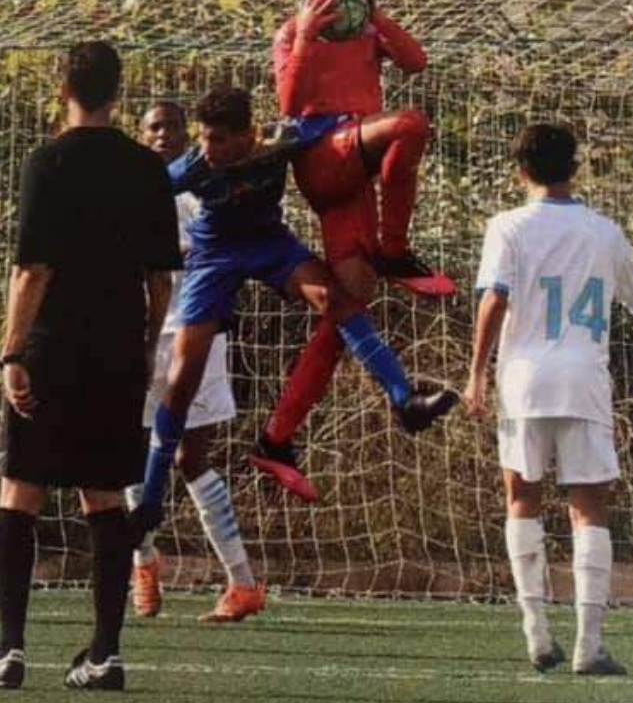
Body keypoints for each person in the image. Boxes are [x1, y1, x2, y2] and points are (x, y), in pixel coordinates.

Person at [131, 86, 457, 534]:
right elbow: (141, 189)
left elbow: (343, 129)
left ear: (249, 133)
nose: (208, 149)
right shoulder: (194, 166)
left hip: (270, 244)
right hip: (213, 255)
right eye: (204, 138)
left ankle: (405, 399)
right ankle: (150, 499)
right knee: (184, 375)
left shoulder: (282, 138)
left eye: (220, 139)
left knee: (335, 299)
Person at [0, 42, 181, 690]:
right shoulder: (146, 169)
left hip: (51, 346)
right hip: (116, 348)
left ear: (61, 88)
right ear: (118, 92)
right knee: (104, 495)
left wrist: (11, 352)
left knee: (21, 490)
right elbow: (163, 279)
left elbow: (31, 270)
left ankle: (9, 649)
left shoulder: (45, 162)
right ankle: (105, 652)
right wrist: (150, 344)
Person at [463, 123, 633, 675]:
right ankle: (589, 643)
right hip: (583, 379)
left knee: (521, 496)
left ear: (520, 171)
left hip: (524, 379)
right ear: (574, 168)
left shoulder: (507, 226)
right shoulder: (604, 231)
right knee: (589, 505)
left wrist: (476, 374)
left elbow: (495, 301)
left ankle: (535, 631)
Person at [262, 0, 455, 495]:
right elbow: (289, 104)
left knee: (345, 310)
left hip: (355, 181)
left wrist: (379, 17)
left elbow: (416, 62)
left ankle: (276, 440)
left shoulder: (369, 30)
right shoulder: (290, 31)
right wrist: (304, 31)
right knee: (410, 125)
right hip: (325, 157)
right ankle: (396, 249)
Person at [126, 101, 263, 624]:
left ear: (189, 136)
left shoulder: (206, 195)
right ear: (142, 137)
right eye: (153, 127)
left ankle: (243, 581)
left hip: (198, 334)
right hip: (142, 338)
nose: (163, 134)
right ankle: (144, 562)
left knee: (190, 458)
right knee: (131, 451)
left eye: (172, 127)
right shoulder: (134, 199)